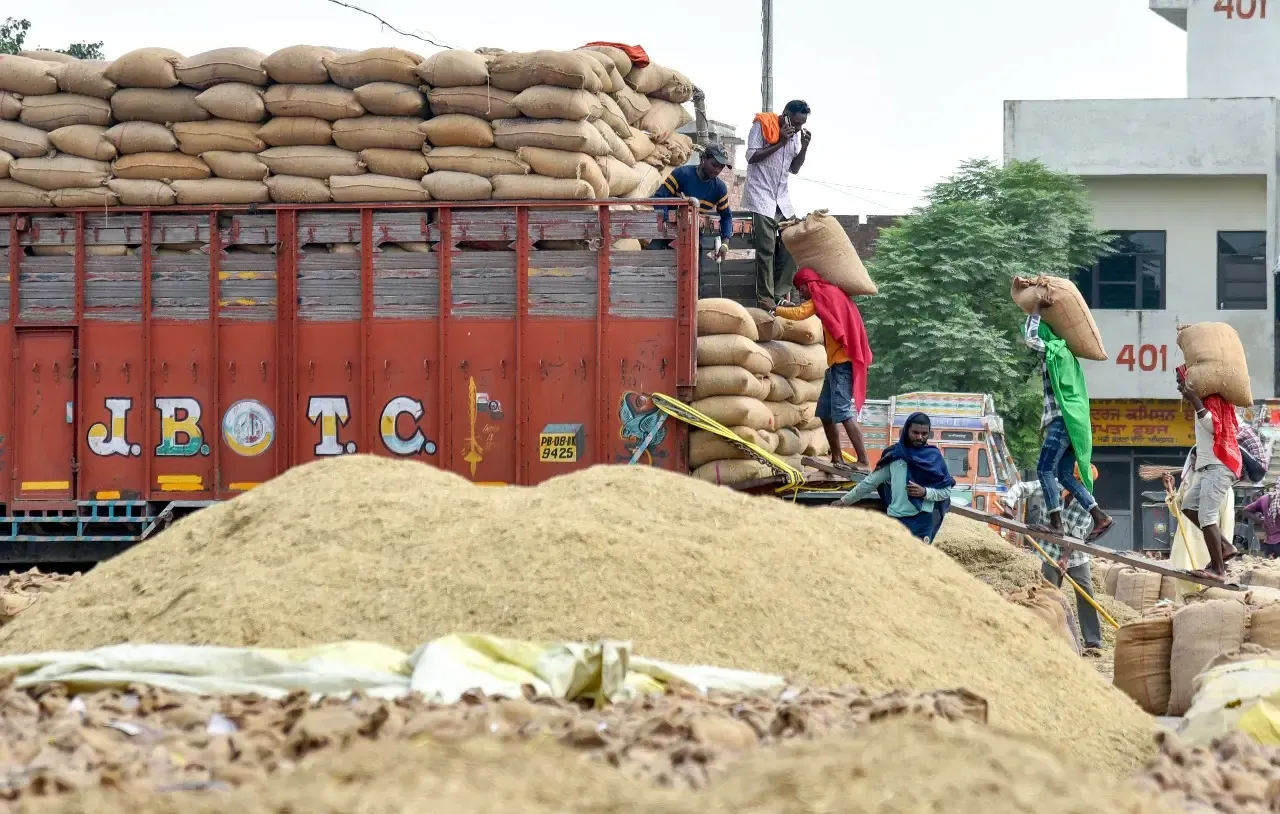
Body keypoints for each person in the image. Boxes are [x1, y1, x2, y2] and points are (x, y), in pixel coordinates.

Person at [1024, 304, 1112, 541]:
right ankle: (1100, 515)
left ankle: (1055, 522)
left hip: (1062, 421)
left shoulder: (1056, 351)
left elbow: (1031, 339)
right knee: (1064, 475)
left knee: (1044, 469)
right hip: (1074, 423)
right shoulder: (1068, 357)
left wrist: (1034, 313)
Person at [999, 465, 1103, 653]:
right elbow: (1022, 488)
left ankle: (1093, 641)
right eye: (1077, 482)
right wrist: (1008, 505)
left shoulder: (1087, 502)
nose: (1079, 487)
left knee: (1086, 594)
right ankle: (1049, 635)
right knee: (1049, 594)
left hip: (1075, 555)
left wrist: (1065, 559)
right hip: (1048, 552)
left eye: (1083, 484)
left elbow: (1076, 535)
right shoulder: (1051, 486)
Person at [776, 268, 871, 471]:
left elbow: (801, 313)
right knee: (825, 412)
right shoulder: (829, 294)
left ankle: (863, 460)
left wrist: (774, 308)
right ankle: (836, 458)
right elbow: (809, 308)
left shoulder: (824, 294)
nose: (801, 293)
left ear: (807, 284)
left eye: (800, 288)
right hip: (835, 364)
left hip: (842, 363)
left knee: (842, 411)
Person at [839, 413, 955, 543]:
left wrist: (925, 492)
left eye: (924, 434)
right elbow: (869, 483)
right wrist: (843, 502)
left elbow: (946, 492)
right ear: (906, 431)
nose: (920, 437)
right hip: (896, 521)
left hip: (922, 523)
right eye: (915, 433)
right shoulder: (894, 456)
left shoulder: (934, 458)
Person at [743, 99, 811, 309]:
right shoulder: (762, 125)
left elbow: (794, 168)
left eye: (802, 124)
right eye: (796, 123)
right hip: (760, 195)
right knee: (766, 249)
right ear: (785, 115)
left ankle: (779, 293)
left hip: (781, 198)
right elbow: (751, 157)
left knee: (793, 241)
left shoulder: (795, 136)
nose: (799, 128)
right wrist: (780, 141)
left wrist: (805, 147)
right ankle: (766, 299)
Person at [1178, 368, 1243, 578]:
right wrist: (1195, 400)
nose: (1180, 386)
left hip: (1219, 466)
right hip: (1207, 467)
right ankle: (1226, 548)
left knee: (1206, 517)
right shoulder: (1205, 401)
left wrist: (1195, 400)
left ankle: (1218, 569)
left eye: (1182, 381)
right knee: (1188, 507)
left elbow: (1214, 427)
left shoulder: (1212, 400)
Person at [653, 143, 733, 259]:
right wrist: (668, 224)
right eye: (714, 165)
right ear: (704, 159)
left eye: (721, 167)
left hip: (693, 236)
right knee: (653, 258)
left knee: (695, 273)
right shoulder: (682, 174)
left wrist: (725, 243)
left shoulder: (719, 189)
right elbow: (659, 198)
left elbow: (726, 216)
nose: (717, 170)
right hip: (667, 233)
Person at [1242, 484, 1280, 559]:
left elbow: (1246, 511)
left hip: (1269, 544)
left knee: (1269, 568)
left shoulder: (1265, 498)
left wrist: (1261, 521)